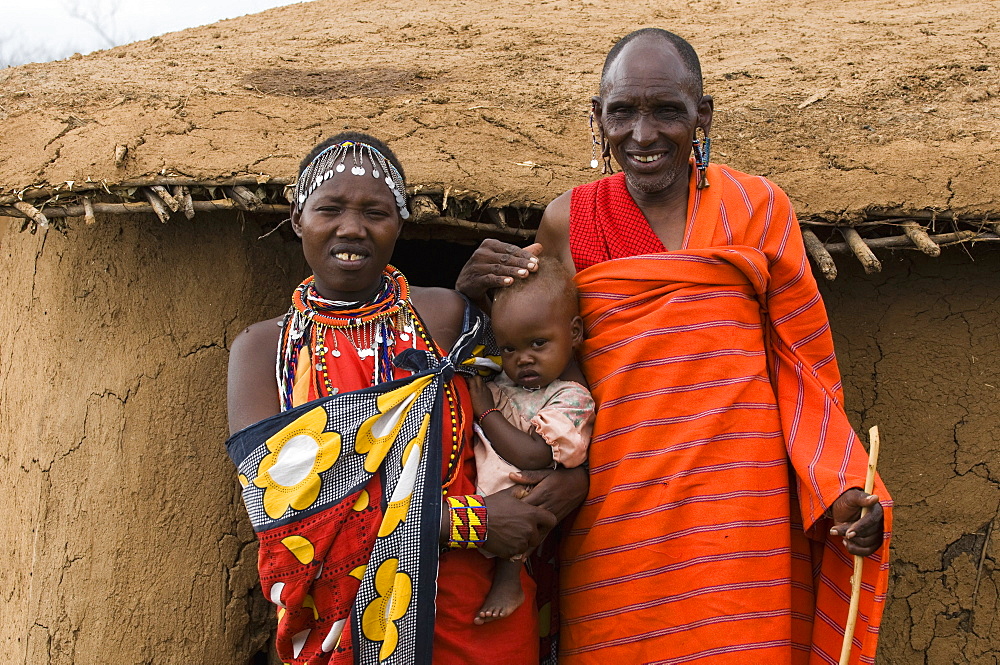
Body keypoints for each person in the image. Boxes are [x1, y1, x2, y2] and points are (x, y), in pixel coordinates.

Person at [457, 28, 892, 664]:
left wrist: (840, 485)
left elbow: (800, 367)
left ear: (703, 116)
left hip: (743, 509)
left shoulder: (759, 208)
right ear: (597, 119)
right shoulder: (568, 220)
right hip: (616, 508)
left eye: (667, 111)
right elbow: (536, 357)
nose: (643, 134)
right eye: (622, 112)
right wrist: (473, 298)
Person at [226, 132, 586, 665]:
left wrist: (572, 477)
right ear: (298, 219)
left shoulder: (445, 315)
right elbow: (279, 511)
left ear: (401, 225)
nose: (352, 227)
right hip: (348, 617)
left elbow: (551, 393)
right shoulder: (264, 350)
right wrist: (467, 522)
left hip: (480, 602)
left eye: (376, 211)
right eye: (330, 209)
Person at [465, 258, 595, 625]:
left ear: (574, 332)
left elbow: (535, 456)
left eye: (538, 343)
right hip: (480, 505)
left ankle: (509, 582)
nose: (523, 359)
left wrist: (486, 414)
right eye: (509, 349)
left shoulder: (570, 399)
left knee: (527, 506)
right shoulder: (508, 384)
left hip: (519, 494)